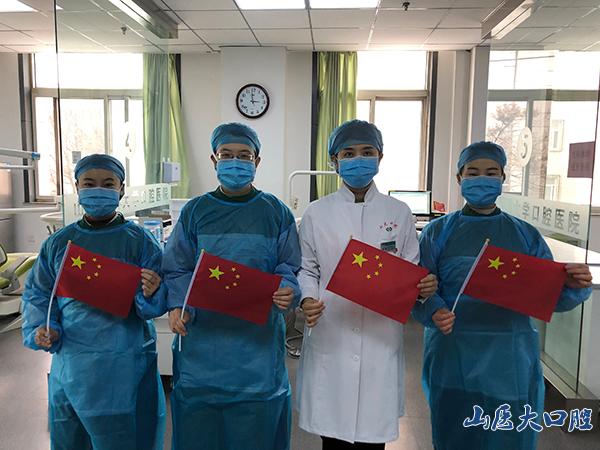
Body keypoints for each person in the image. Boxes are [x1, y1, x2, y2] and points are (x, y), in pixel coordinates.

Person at [412, 141, 593, 450]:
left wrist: (574, 286)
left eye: (491, 172)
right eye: (473, 172)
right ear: (459, 178)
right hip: (453, 355)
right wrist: (435, 310)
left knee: (508, 437)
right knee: (455, 434)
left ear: (503, 178)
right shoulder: (437, 232)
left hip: (509, 360)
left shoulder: (525, 235)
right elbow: (421, 287)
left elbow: (548, 295)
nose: (482, 178)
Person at [296, 119, 438, 450]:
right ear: (334, 161)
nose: (358, 159)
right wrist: (308, 299)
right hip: (332, 331)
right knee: (333, 441)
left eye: (367, 152)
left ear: (380, 157)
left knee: (373, 442)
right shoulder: (317, 213)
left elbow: (410, 270)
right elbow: (307, 268)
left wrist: (422, 286)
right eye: (348, 153)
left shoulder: (399, 213)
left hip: (380, 338)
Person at [163, 122, 301, 450]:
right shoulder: (195, 212)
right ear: (214, 160)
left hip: (257, 349)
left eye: (244, 155)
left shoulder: (275, 212)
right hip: (202, 345)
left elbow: (290, 265)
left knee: (256, 432)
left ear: (257, 161)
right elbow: (177, 267)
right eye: (227, 155)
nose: (235, 162)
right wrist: (177, 306)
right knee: (200, 433)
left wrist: (287, 288)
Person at [22, 154, 167, 450]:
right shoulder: (60, 244)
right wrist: (44, 328)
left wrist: (151, 291)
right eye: (89, 183)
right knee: (71, 435)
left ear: (121, 189)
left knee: (127, 437)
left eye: (108, 184)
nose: (98, 189)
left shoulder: (140, 241)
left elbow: (153, 305)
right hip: (73, 363)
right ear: (77, 187)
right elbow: (39, 295)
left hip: (126, 362)